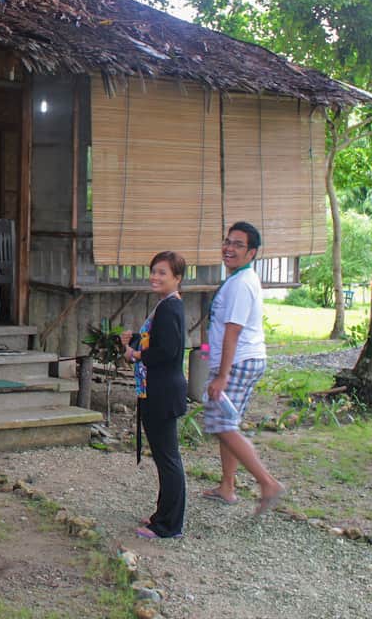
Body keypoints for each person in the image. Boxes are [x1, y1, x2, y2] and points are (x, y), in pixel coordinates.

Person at [203, 221, 285, 515]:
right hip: (243, 359)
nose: (229, 248)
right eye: (227, 242)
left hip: (239, 361)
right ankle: (227, 487)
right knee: (226, 423)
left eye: (238, 244)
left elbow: (233, 331)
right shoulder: (239, 280)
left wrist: (222, 375)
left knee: (222, 425)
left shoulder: (241, 284)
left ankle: (268, 482)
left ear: (251, 253)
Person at [120, 251, 188, 540]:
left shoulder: (170, 308)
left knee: (168, 458)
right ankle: (163, 515)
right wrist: (135, 338)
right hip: (158, 389)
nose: (155, 277)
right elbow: (158, 342)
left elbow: (167, 351)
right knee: (164, 458)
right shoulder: (166, 305)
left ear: (177, 278)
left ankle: (168, 525)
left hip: (162, 391)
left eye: (163, 273)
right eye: (153, 271)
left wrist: (135, 354)